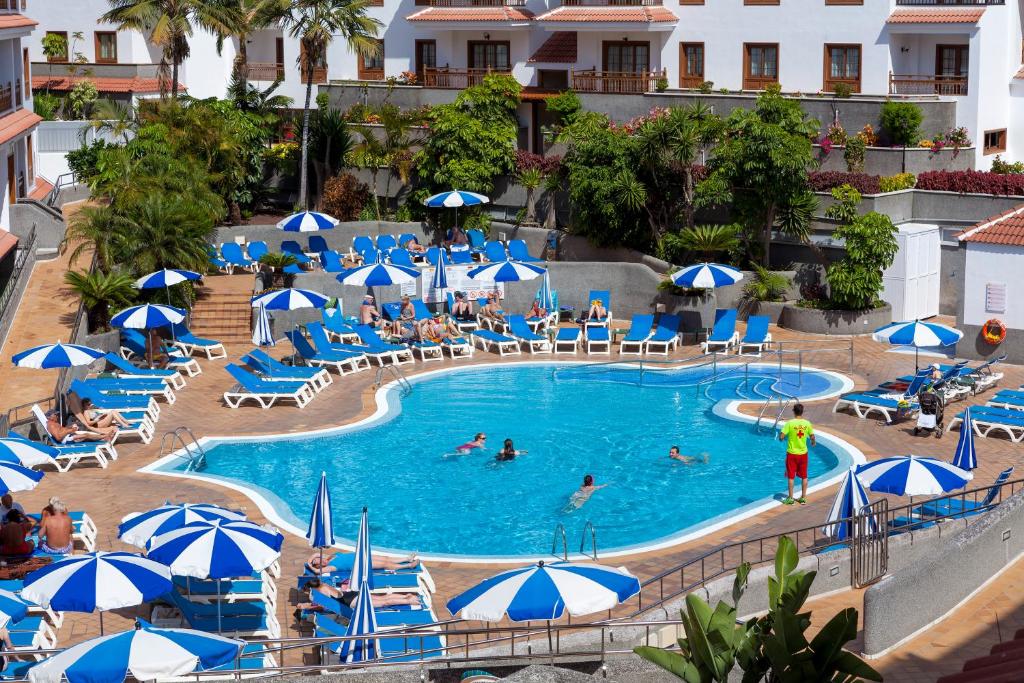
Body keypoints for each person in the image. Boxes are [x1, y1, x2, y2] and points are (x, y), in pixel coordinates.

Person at [296, 578, 421, 614]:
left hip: (351, 601)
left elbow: (323, 607)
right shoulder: (324, 584)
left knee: (384, 603)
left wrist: (307, 606)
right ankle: (406, 596)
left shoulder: (321, 591)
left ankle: (409, 601)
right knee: (383, 597)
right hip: (353, 594)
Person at [778, 403, 815, 505]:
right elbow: (812, 436)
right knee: (804, 476)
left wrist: (781, 438)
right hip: (803, 454)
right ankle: (803, 498)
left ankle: (790, 498)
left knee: (791, 476)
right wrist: (813, 442)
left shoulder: (790, 423)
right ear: (802, 412)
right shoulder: (807, 423)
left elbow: (781, 436)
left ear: (794, 411)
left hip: (792, 454)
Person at [306, 552, 419, 575]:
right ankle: (408, 565)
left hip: (361, 555)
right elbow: (316, 571)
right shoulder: (331, 567)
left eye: (319, 558)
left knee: (385, 558)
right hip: (361, 564)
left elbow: (315, 553)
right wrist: (311, 566)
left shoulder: (330, 557)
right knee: (385, 564)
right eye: (319, 562)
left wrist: (310, 561)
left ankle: (407, 558)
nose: (320, 559)